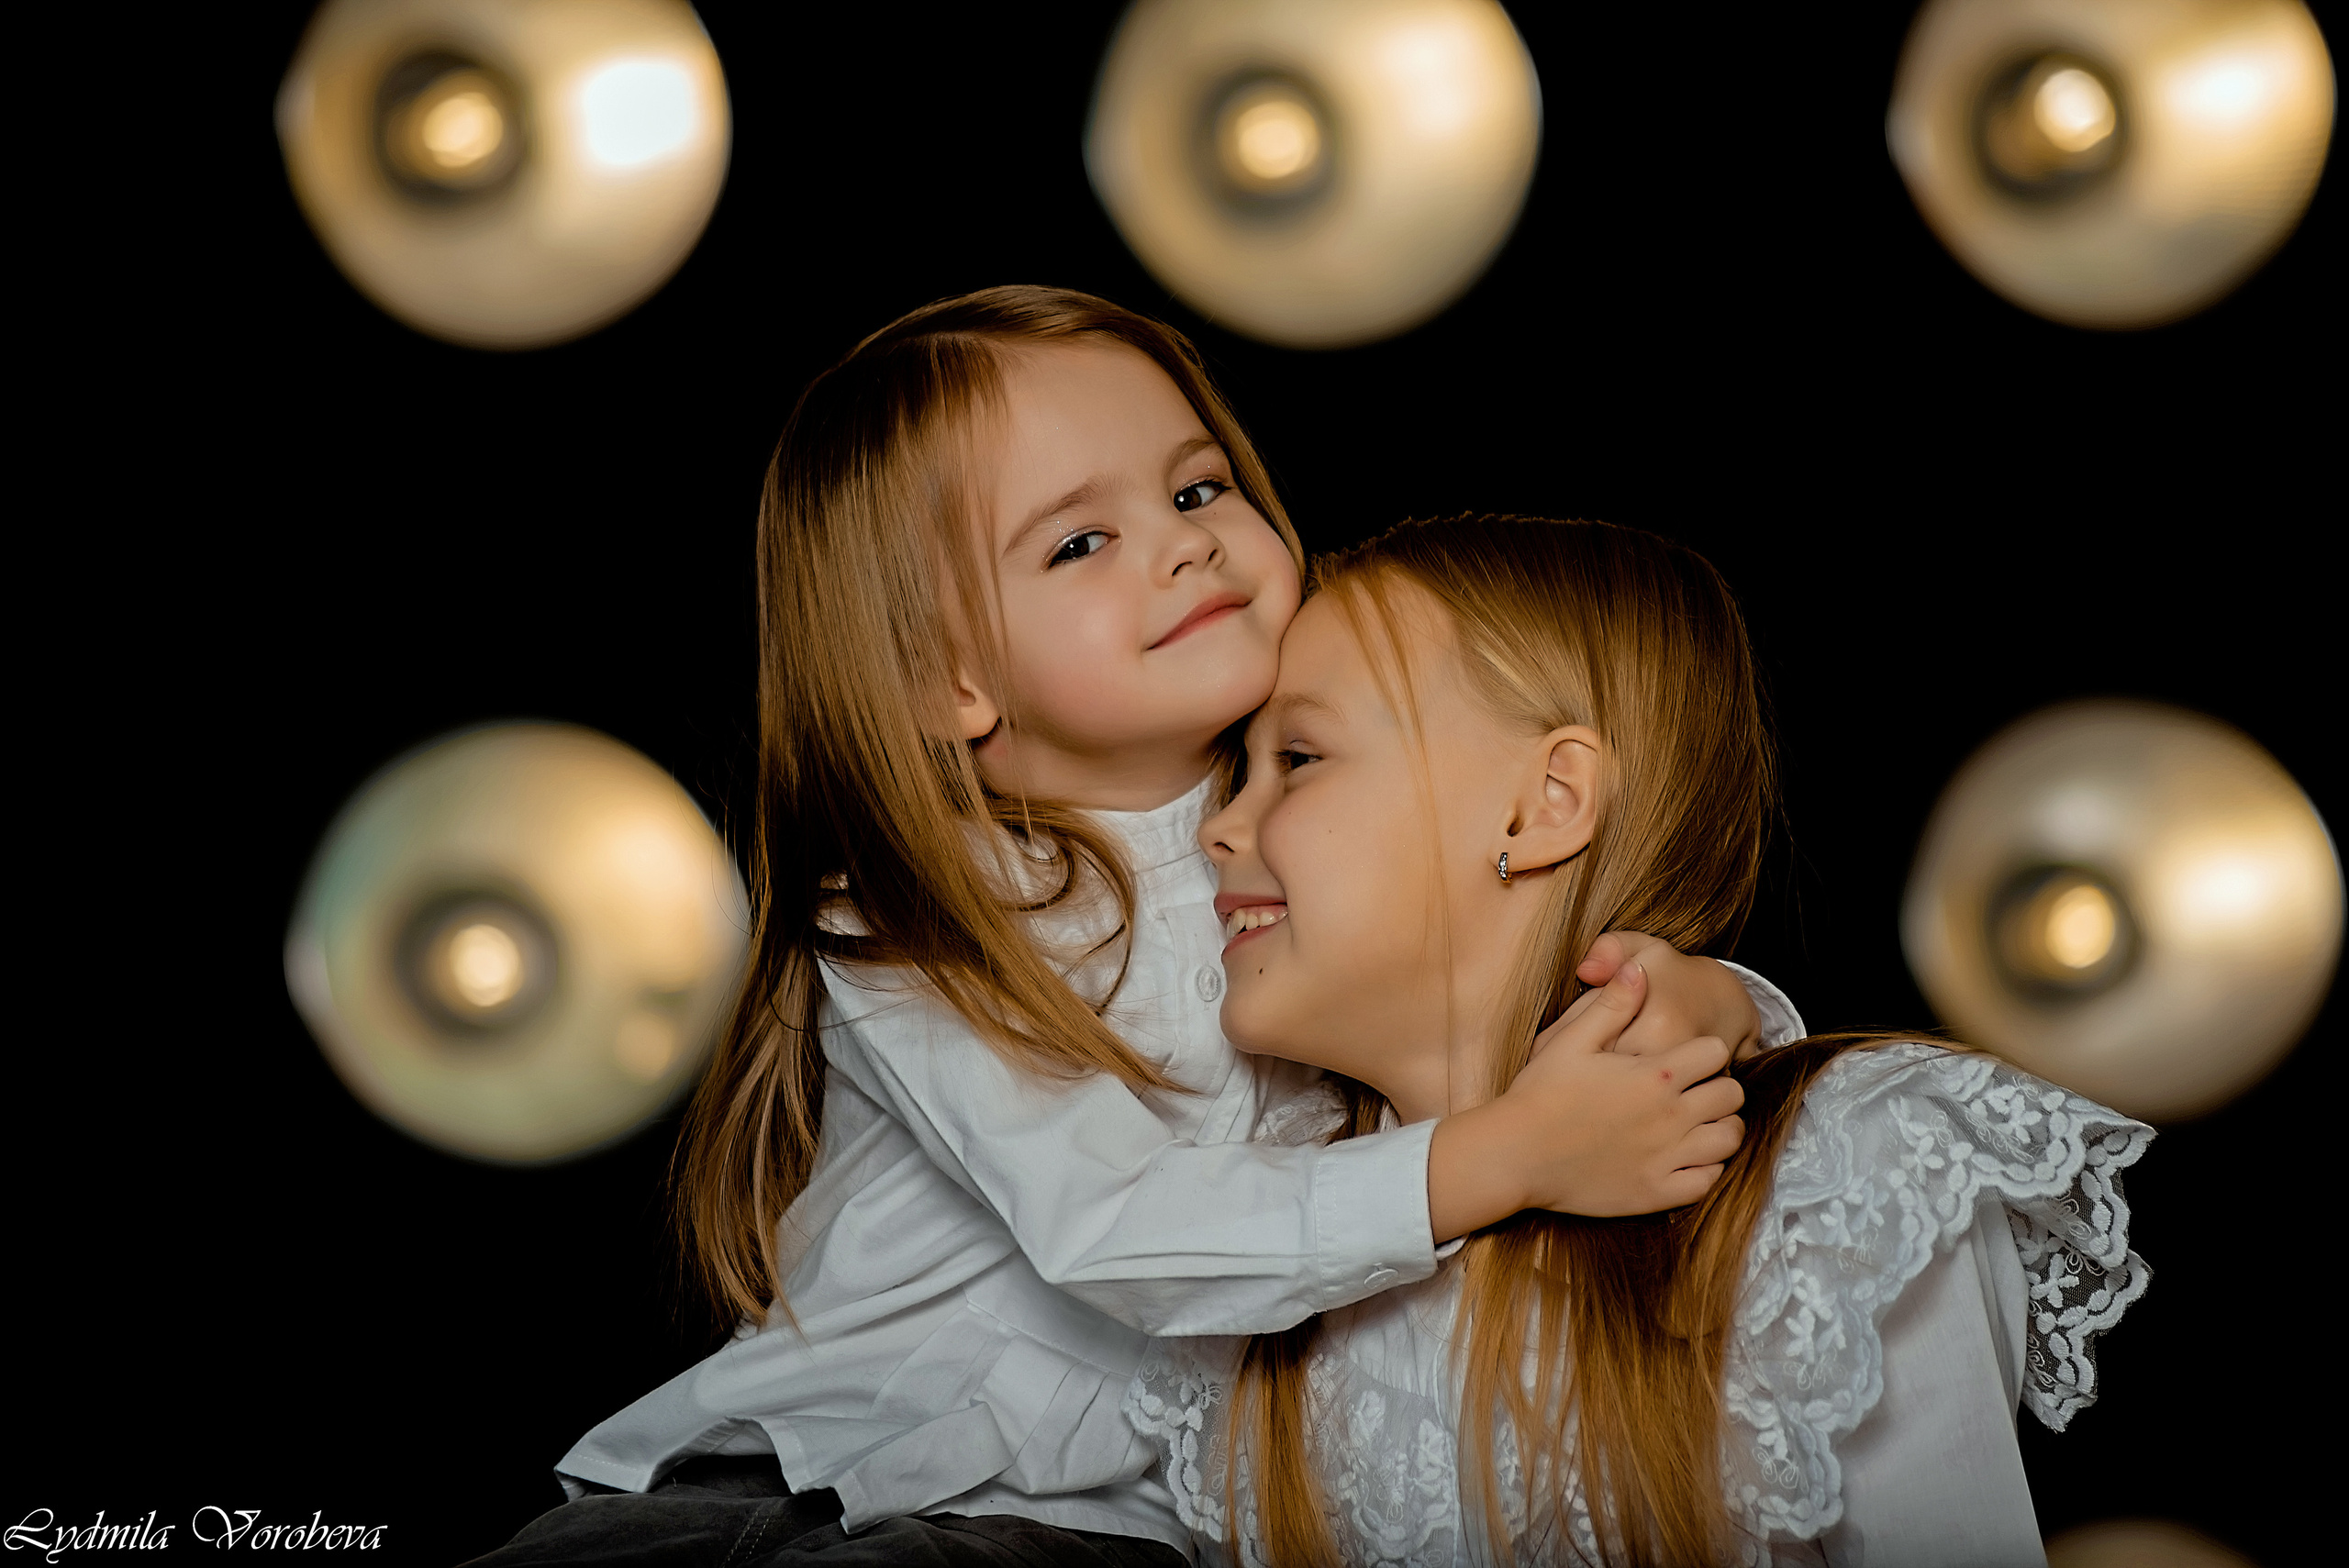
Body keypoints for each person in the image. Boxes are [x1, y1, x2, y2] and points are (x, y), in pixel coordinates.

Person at [470, 292, 1803, 1567]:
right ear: (949, 681)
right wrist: (1503, 1157)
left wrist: (1712, 998)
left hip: (1085, 1528)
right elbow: (1113, 1229)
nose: (1183, 544)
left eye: (1198, 488)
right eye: (1077, 543)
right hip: (784, 1459)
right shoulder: (919, 911)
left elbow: (1491, 948)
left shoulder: (1316, 838)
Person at [1128, 515, 2153, 1567]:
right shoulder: (1246, 1249)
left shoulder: (1838, 1179)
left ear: (1544, 804)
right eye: (1236, 772)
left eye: (1298, 757)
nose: (1216, 825)